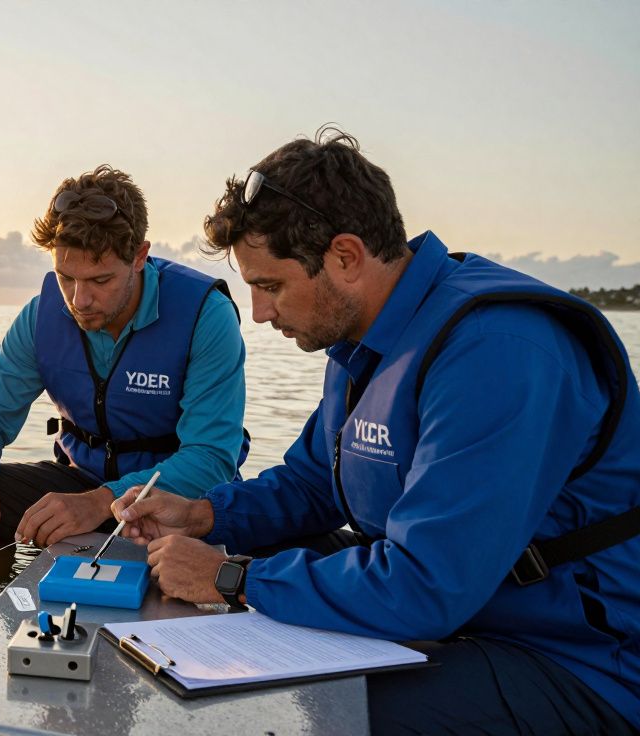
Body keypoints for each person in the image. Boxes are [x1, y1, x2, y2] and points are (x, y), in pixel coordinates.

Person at [112, 128, 640, 733]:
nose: (258, 313)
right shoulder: (362, 340)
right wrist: (202, 516)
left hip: (580, 659)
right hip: (472, 610)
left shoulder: (497, 352)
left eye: (271, 286)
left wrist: (230, 577)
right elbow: (312, 486)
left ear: (345, 256)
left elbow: (427, 585)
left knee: (300, 712)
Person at [0, 164, 248, 557]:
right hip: (81, 484)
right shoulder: (39, 317)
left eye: (100, 280)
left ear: (139, 256)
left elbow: (211, 459)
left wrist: (101, 502)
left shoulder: (206, 315)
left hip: (177, 501)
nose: (79, 300)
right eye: (65, 277)